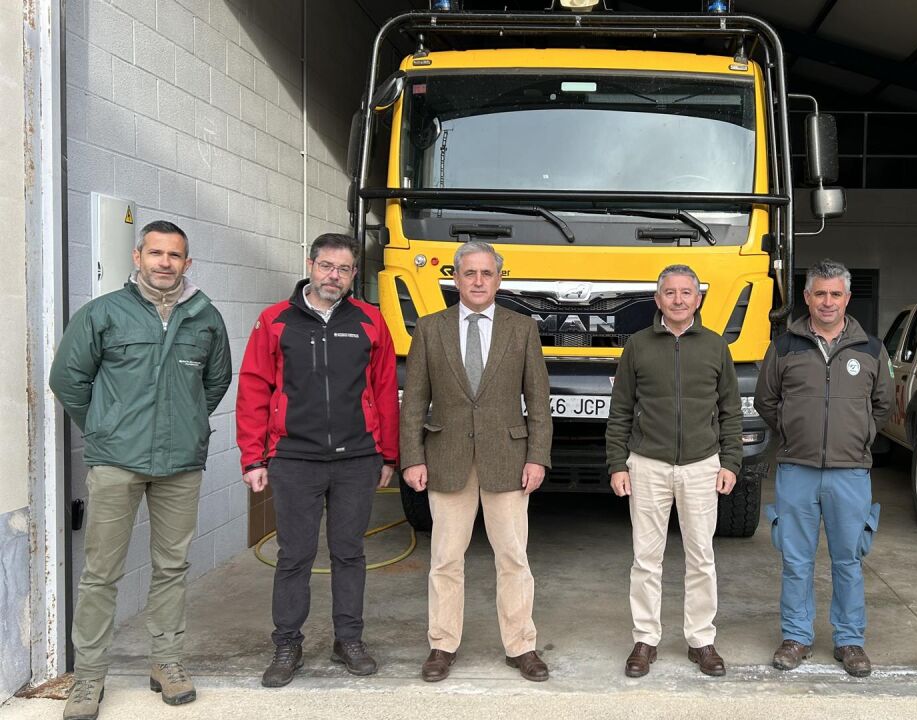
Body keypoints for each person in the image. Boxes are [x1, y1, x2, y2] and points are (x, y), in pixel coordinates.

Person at [50, 220, 232, 720]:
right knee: (101, 573)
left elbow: (215, 382)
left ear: (187, 263)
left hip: (180, 464)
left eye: (174, 255)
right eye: (156, 253)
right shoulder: (104, 313)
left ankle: (166, 662)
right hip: (116, 462)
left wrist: (185, 423)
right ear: (138, 257)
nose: (164, 263)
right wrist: (105, 426)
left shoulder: (205, 317)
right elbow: (67, 379)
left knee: (172, 568)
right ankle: (89, 677)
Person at [235, 233, 399, 688]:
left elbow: (385, 389)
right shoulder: (274, 320)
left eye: (344, 269)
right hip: (294, 458)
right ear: (310, 265)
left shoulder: (370, 321)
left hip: (357, 459)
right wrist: (253, 458)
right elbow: (253, 389)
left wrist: (389, 454)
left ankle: (349, 640)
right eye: (327, 266)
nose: (334, 276)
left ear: (353, 275)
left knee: (349, 553)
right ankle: (287, 644)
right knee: (294, 555)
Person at [399, 241, 553, 683]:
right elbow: (415, 402)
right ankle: (442, 645)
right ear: (456, 278)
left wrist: (537, 457)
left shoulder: (522, 329)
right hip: (446, 459)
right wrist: (412, 457)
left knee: (513, 558)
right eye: (470, 273)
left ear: (499, 279)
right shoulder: (430, 328)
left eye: (487, 273)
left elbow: (538, 401)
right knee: (445, 559)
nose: (479, 281)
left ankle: (521, 645)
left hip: (508, 459)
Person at [605, 264, 743, 678]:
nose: (678, 299)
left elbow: (731, 411)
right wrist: (617, 464)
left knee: (701, 557)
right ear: (658, 299)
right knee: (646, 559)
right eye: (670, 292)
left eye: (686, 292)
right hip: (647, 464)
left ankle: (701, 640)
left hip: (702, 465)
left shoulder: (716, 346)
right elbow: (620, 409)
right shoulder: (638, 345)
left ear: (698, 299)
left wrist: (731, 462)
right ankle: (645, 639)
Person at [756, 258, 891, 677]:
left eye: (835, 294)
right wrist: (794, 433)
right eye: (820, 293)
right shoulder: (784, 346)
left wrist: (859, 436)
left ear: (847, 298)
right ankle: (796, 636)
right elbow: (766, 400)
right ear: (807, 297)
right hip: (797, 469)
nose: (828, 301)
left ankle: (850, 640)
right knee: (796, 559)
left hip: (850, 472)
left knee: (848, 559)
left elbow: (883, 404)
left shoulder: (871, 348)